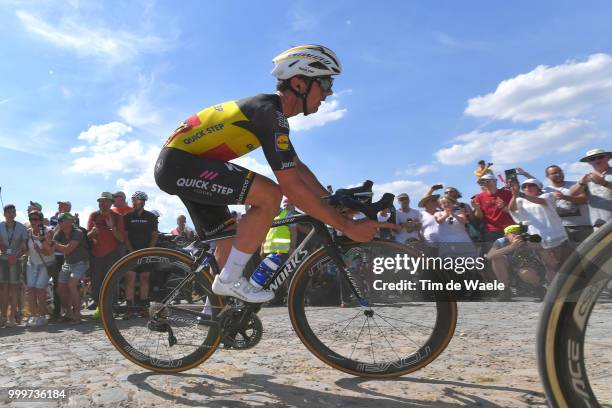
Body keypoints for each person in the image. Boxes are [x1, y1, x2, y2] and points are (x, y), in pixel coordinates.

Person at [154, 44, 390, 303]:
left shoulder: (271, 114)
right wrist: (345, 225)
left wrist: (328, 201)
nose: (329, 92)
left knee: (228, 243)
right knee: (270, 194)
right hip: (181, 165)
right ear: (299, 83)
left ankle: (216, 317)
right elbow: (291, 188)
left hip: (188, 165)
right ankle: (230, 280)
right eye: (324, 82)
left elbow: (295, 166)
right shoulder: (270, 113)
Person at [508, 178, 570, 283]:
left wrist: (520, 194)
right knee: (549, 266)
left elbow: (540, 201)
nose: (528, 188)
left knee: (562, 265)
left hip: (556, 237)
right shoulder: (520, 200)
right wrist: (514, 195)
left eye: (531, 185)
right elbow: (511, 209)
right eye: (525, 186)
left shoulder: (547, 196)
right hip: (537, 239)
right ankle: (554, 291)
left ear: (538, 187)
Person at [87, 192, 125, 317]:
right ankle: (100, 308)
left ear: (110, 203)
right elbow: (87, 236)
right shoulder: (94, 215)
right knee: (96, 282)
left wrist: (112, 227)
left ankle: (112, 308)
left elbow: (121, 239)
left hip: (112, 254)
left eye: (104, 201)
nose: (101, 203)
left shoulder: (117, 217)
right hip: (96, 254)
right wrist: (92, 233)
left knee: (111, 282)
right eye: (100, 201)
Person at [487, 224, 545, 301]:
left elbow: (539, 246)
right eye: (513, 233)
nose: (517, 235)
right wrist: (511, 247)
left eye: (518, 233)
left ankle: (539, 288)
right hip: (509, 267)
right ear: (506, 235)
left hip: (528, 268)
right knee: (497, 259)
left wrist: (528, 243)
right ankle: (505, 290)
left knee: (525, 272)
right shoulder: (501, 241)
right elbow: (490, 256)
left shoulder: (526, 238)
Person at [123, 191, 158, 318]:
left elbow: (154, 235)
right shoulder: (128, 216)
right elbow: (125, 237)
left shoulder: (151, 217)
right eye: (133, 200)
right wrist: (131, 251)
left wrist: (148, 251)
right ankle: (129, 308)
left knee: (144, 279)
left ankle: (144, 308)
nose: (134, 202)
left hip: (146, 252)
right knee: (130, 279)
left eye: (136, 200)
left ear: (143, 202)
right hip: (131, 252)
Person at [53, 212, 89, 323]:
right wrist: (45, 241)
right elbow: (50, 246)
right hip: (68, 263)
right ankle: (69, 312)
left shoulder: (78, 232)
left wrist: (53, 244)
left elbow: (68, 249)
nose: (67, 223)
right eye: (62, 221)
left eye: (68, 220)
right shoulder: (59, 233)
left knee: (72, 284)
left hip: (81, 262)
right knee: (60, 288)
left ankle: (77, 314)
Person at [542, 165, 592, 243]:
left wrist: (564, 197)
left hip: (582, 225)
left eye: (560, 171)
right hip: (561, 229)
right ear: (547, 176)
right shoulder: (545, 191)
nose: (558, 174)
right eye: (554, 173)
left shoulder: (576, 184)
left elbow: (584, 200)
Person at [24, 209, 55, 327]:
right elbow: (26, 250)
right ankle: (33, 316)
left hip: (45, 264)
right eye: (31, 219)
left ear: (41, 221)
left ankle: (42, 316)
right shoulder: (28, 233)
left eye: (35, 219)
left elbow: (51, 251)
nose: (33, 221)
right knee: (30, 290)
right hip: (32, 264)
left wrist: (40, 249)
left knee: (39, 289)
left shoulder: (48, 232)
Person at [569, 148, 612, 230]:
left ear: (608, 157)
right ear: (589, 162)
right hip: (599, 224)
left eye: (600, 157)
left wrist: (604, 183)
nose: (596, 160)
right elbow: (572, 194)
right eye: (592, 158)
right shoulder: (586, 178)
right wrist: (581, 183)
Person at [0, 204, 28, 327]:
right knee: (3, 289)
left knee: (14, 289)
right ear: (4, 214)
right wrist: (4, 248)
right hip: (3, 260)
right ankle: (3, 316)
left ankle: (12, 317)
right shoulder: (0, 226)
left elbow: (24, 247)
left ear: (15, 214)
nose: (11, 214)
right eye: (8, 212)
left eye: (13, 212)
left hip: (16, 261)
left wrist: (15, 256)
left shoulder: (21, 227)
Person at [472, 173, 514, 243]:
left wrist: (504, 207)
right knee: (496, 253)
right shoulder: (478, 197)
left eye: (487, 181)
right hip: (491, 231)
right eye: (482, 182)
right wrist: (477, 209)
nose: (484, 183)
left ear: (495, 182)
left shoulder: (508, 193)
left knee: (514, 252)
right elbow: (479, 217)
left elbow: (515, 212)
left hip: (510, 229)